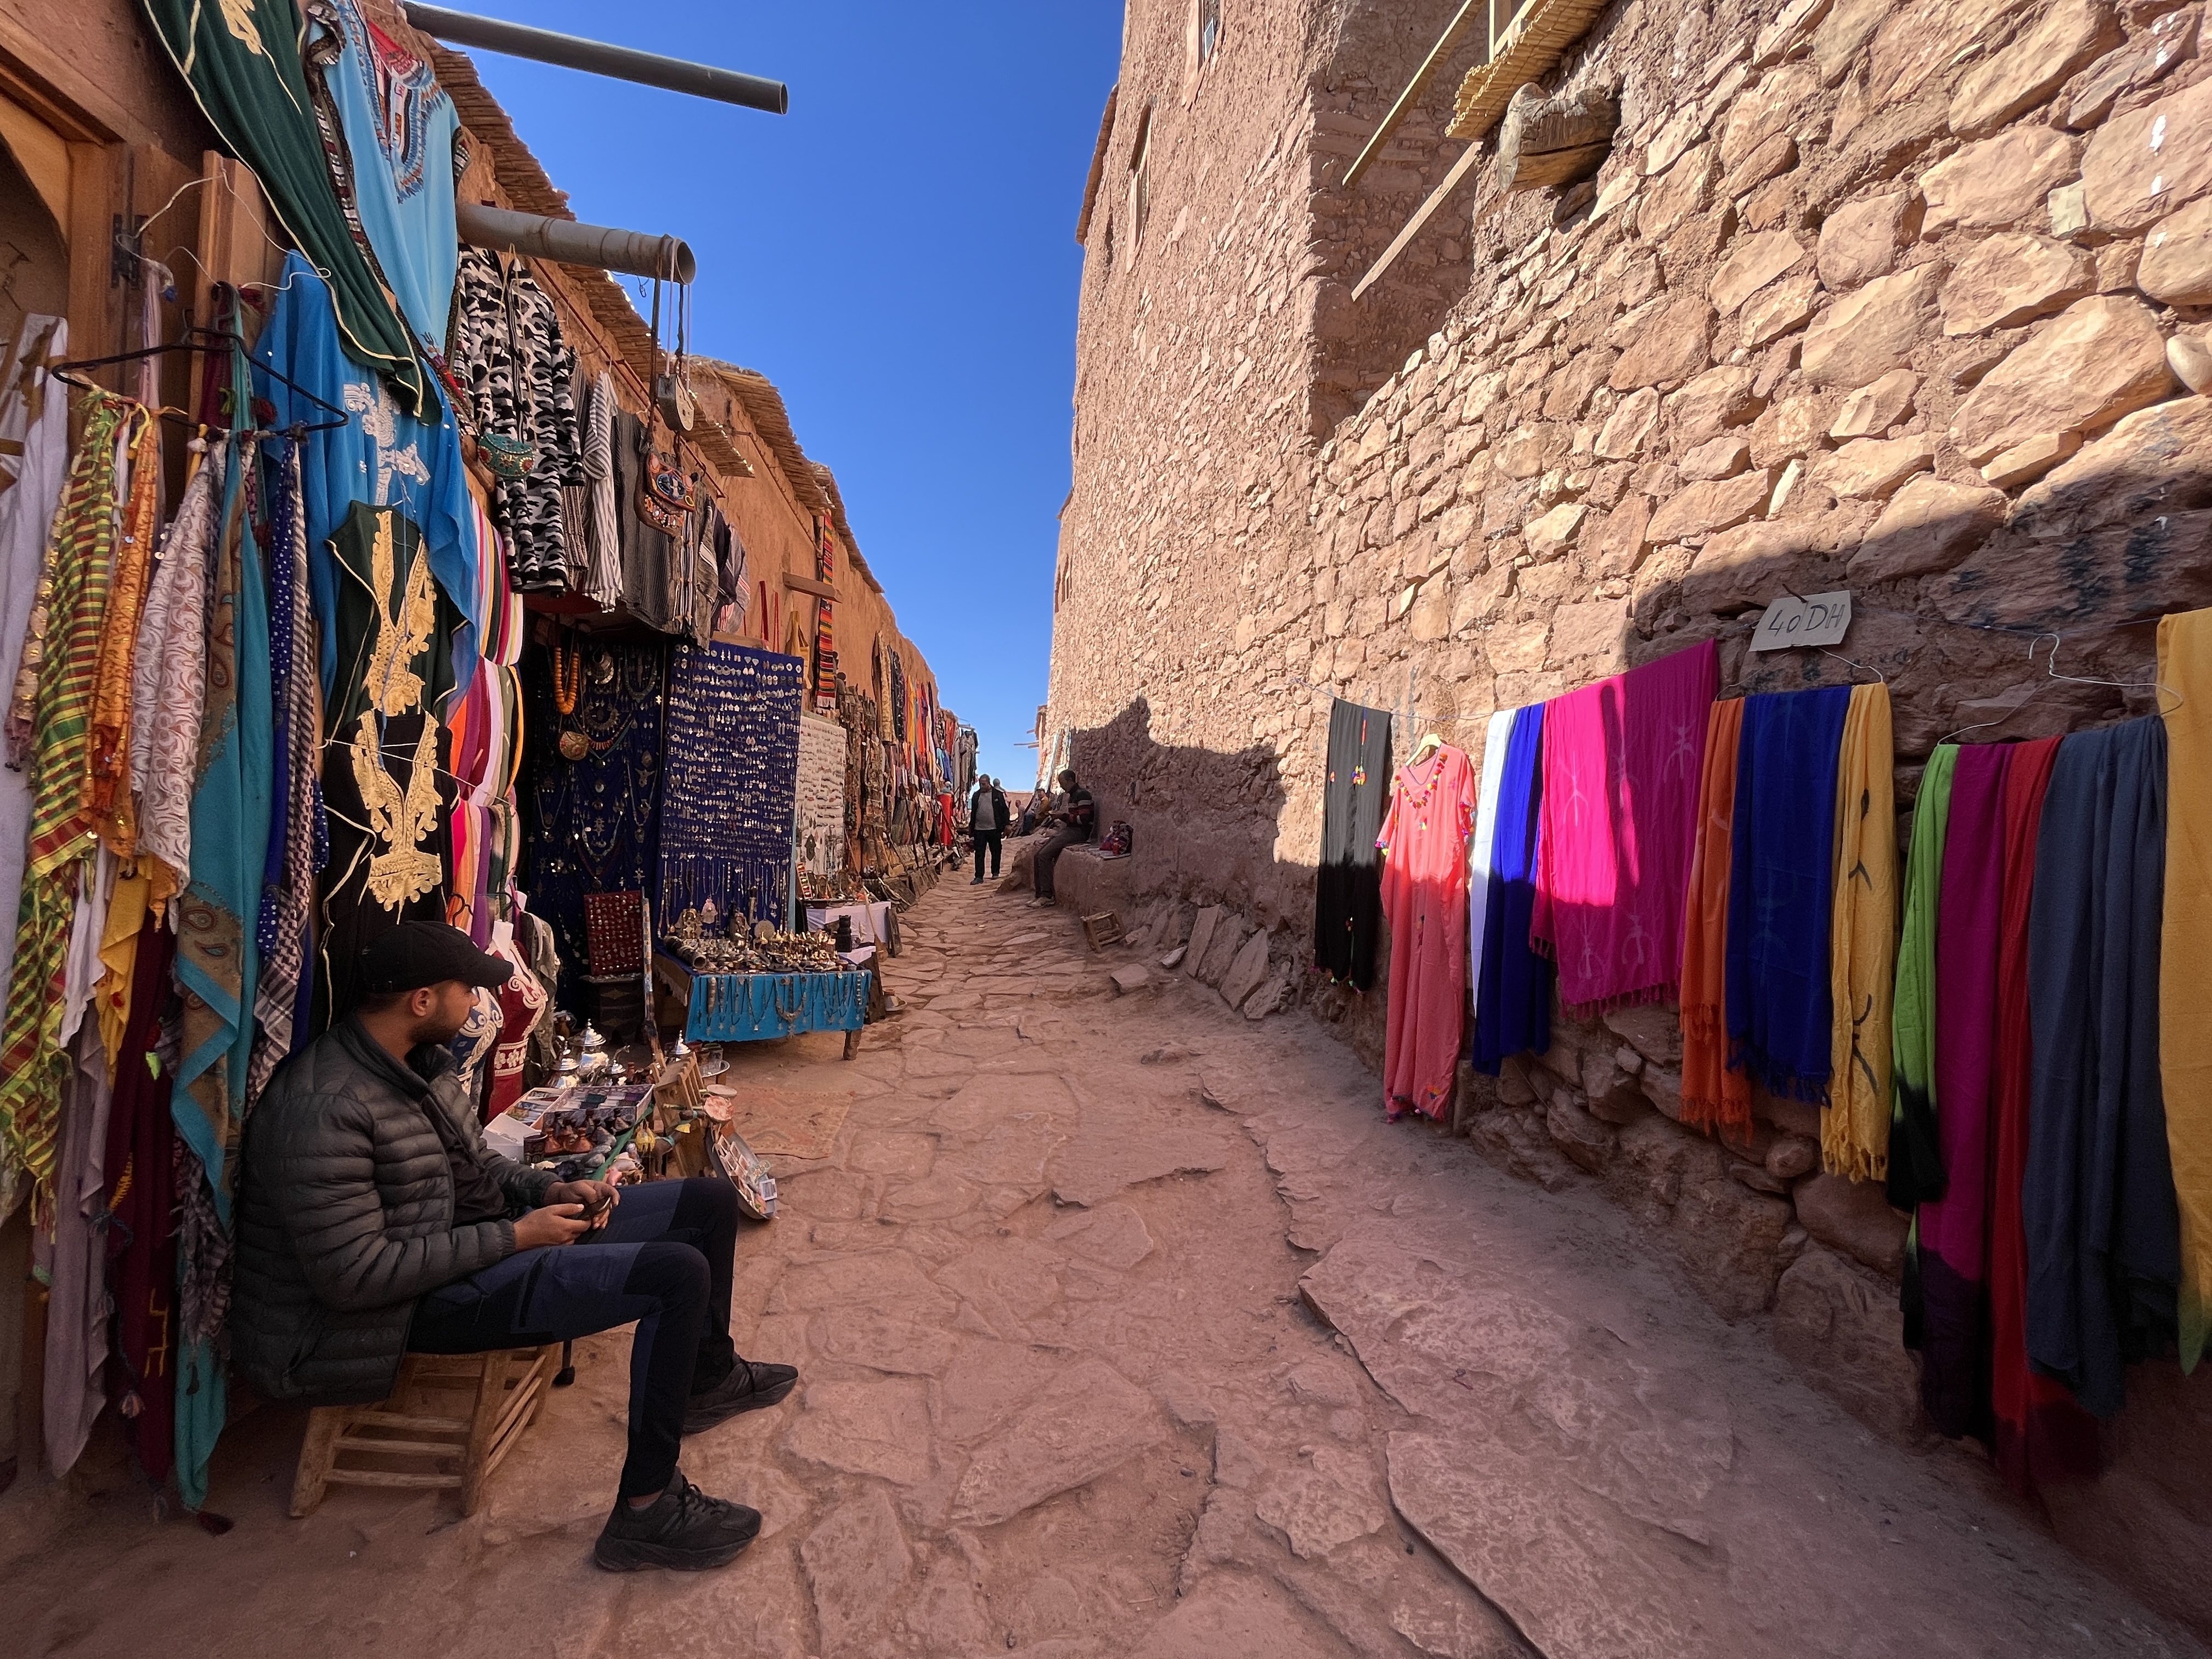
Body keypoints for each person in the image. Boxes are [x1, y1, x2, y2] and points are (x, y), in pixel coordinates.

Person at [233, 922, 797, 1573]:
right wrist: (516, 1236)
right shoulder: (322, 1109)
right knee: (675, 1275)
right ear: (422, 1001)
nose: (478, 1003)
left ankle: (708, 1379)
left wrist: (549, 1189)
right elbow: (355, 1277)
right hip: (415, 1303)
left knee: (709, 1203)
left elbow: (479, 1166)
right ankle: (647, 1508)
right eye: (467, 990)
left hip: (487, 1240)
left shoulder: (418, 1064)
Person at [1030, 768, 1097, 906]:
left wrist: (1063, 816)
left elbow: (1084, 820)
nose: (1061, 786)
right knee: (1038, 855)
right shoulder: (1073, 796)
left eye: (1062, 783)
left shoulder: (1082, 795)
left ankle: (1047, 896)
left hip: (1079, 832)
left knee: (1044, 856)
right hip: (1070, 830)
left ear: (1070, 780)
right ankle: (1040, 894)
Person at [970, 773, 1008, 883]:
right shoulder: (976, 796)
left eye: (984, 784)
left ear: (989, 783)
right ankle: (979, 877)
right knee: (979, 853)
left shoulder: (998, 795)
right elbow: (973, 813)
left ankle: (995, 872)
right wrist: (971, 829)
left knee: (996, 851)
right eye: (980, 784)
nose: (982, 786)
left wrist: (1007, 825)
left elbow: (1005, 811)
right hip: (979, 829)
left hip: (994, 829)